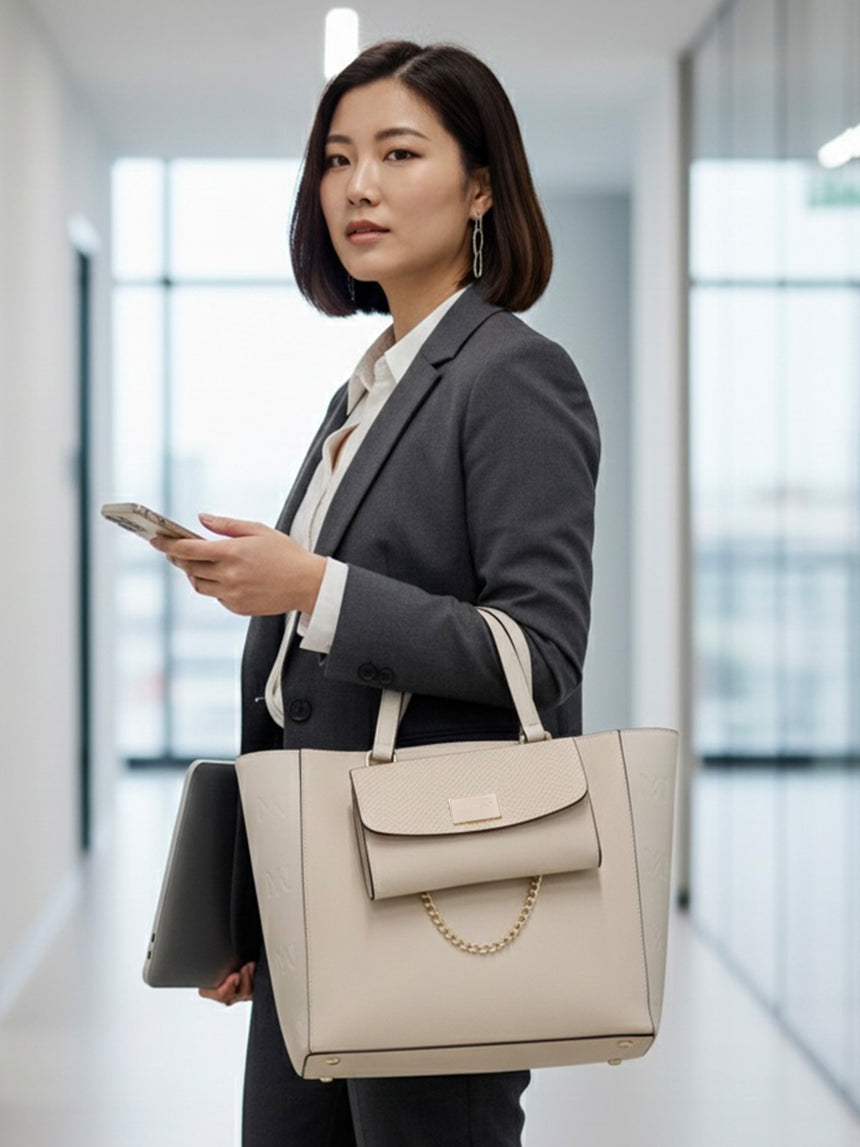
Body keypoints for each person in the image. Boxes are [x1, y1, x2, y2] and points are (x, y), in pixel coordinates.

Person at [150, 38, 600, 1147]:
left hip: (439, 899)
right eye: (337, 159)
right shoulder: (369, 389)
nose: (358, 185)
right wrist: (249, 905)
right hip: (315, 898)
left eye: (399, 154)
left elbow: (538, 657)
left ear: (481, 186)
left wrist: (313, 585)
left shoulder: (510, 373)